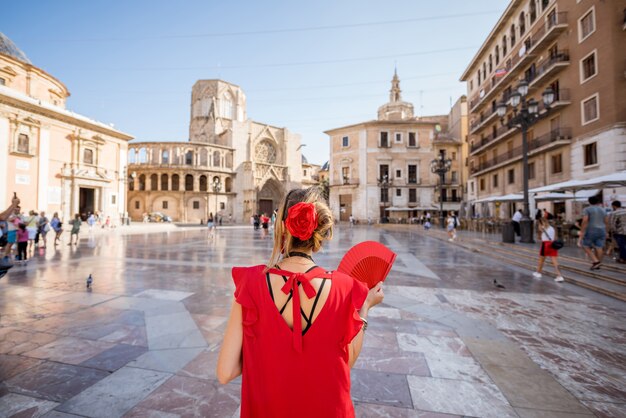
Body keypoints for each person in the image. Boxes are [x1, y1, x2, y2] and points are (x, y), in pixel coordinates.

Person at [217, 187, 384, 417]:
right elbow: (347, 361)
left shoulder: (251, 284)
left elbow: (225, 372)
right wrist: (364, 309)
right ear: (320, 231)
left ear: (282, 226)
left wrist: (265, 354)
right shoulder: (344, 288)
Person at [579, 195, 608, 270]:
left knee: (585, 245)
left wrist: (582, 231)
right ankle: (598, 263)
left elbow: (585, 220)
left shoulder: (587, 209)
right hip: (602, 229)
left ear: (589, 202)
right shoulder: (603, 209)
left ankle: (595, 261)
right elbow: (606, 221)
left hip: (591, 229)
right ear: (598, 201)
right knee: (599, 246)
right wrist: (607, 231)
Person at [533, 218, 564, 282]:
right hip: (552, 244)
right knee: (555, 262)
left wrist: (540, 228)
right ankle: (559, 276)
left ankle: (538, 272)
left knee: (541, 260)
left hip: (545, 245)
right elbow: (555, 237)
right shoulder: (552, 228)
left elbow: (539, 237)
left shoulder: (542, 228)